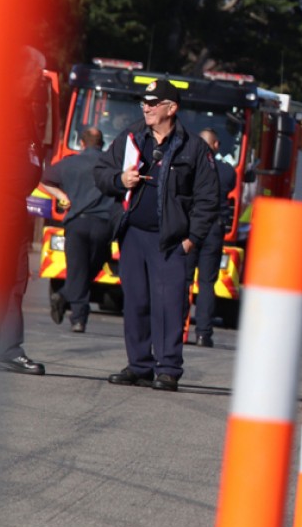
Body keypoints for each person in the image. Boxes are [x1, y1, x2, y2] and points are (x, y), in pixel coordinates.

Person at [94, 79, 219, 391]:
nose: (146, 108)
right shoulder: (132, 137)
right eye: (144, 103)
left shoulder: (193, 147)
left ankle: (167, 369)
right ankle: (139, 365)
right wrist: (120, 179)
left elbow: (208, 200)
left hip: (170, 240)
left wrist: (191, 240)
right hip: (132, 234)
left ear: (171, 108)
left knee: (169, 305)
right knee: (135, 302)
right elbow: (100, 173)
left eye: (153, 103)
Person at [0, 45, 48, 375]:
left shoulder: (24, 109)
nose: (38, 83)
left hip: (14, 205)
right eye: (35, 76)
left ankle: (8, 348)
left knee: (14, 279)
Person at [39, 127, 115, 333]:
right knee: (96, 264)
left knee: (76, 269)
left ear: (82, 143)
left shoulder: (69, 164)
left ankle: (76, 315)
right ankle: (69, 302)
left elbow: (44, 179)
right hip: (103, 225)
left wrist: (62, 197)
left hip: (76, 224)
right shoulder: (110, 165)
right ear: (102, 143)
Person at [185, 128, 237, 348]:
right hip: (214, 228)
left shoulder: (189, 166)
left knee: (183, 281)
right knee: (207, 283)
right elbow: (231, 186)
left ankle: (179, 329)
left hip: (191, 227)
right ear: (215, 145)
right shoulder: (226, 171)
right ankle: (203, 334)